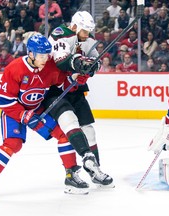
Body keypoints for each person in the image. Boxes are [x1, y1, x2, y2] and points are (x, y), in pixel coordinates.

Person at [0, 34, 102, 199]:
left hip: (37, 110)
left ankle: (71, 177)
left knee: (64, 137)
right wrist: (23, 115)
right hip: (15, 112)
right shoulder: (14, 68)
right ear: (31, 54)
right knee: (13, 144)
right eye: (41, 55)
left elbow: (63, 85)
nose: (45, 58)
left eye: (47, 55)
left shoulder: (50, 67)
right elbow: (4, 101)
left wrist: (77, 79)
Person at [47, 11, 114, 188]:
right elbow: (61, 61)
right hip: (56, 88)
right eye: (84, 30)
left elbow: (95, 59)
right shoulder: (60, 34)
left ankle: (95, 170)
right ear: (75, 26)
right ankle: (81, 161)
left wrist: (91, 68)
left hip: (75, 88)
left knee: (89, 130)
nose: (87, 34)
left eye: (89, 31)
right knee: (70, 122)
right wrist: (79, 64)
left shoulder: (87, 39)